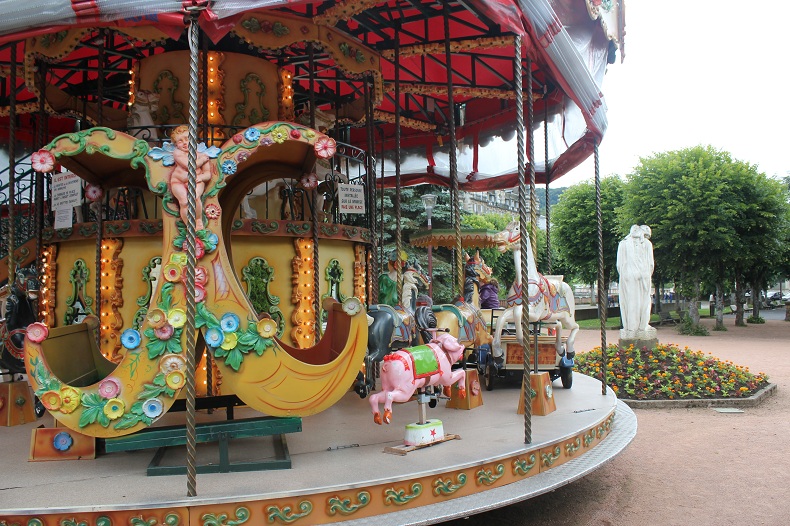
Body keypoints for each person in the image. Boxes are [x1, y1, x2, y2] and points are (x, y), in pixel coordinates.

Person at [168, 125, 213, 230]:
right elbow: (189, 166)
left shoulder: (201, 155)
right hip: (178, 181)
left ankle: (198, 220)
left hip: (197, 180)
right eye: (180, 141)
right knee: (184, 201)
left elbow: (208, 174)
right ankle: (189, 225)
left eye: (187, 139)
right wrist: (202, 160)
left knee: (195, 197)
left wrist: (201, 177)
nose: (184, 143)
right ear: (176, 145)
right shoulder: (178, 153)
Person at [616, 224, 654, 335]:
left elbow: (619, 265)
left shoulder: (623, 244)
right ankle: (642, 325)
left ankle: (631, 327)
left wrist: (625, 275)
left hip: (628, 276)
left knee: (630, 301)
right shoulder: (647, 244)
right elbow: (651, 264)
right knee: (644, 301)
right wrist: (646, 275)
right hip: (643, 275)